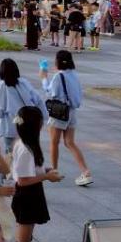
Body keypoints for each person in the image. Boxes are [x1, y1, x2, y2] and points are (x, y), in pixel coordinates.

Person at [10, 105, 61, 242]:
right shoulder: (24, 148)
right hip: (25, 195)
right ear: (34, 125)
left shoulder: (27, 144)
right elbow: (22, 180)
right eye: (41, 121)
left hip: (31, 193)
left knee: (27, 239)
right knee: (22, 241)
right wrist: (46, 177)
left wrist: (45, 170)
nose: (43, 125)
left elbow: (29, 171)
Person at [40, 50, 91, 185]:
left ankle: (54, 171)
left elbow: (50, 92)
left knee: (54, 142)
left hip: (59, 112)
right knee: (69, 142)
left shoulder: (58, 76)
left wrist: (44, 78)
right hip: (72, 111)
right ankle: (85, 171)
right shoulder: (74, 74)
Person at [0, 58, 45, 154]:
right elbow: (37, 99)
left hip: (10, 125)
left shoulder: (1, 86)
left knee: (10, 151)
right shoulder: (24, 83)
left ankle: (12, 168)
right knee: (28, 149)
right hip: (28, 123)